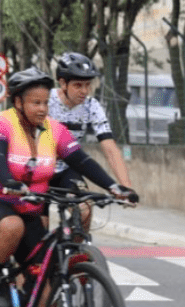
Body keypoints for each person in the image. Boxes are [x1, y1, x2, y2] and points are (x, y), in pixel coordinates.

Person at [0, 67, 137, 307]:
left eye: (45, 102)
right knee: (12, 227)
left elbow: (82, 161)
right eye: (35, 103)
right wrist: (8, 180)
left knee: (44, 275)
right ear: (18, 102)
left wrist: (115, 187)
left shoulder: (54, 131)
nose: (43, 109)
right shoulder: (1, 123)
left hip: (27, 206)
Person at [47, 52, 137, 228]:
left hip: (66, 170)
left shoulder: (91, 106)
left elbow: (110, 149)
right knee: (37, 227)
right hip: (38, 170)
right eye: (78, 85)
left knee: (85, 209)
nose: (84, 91)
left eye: (88, 85)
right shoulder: (45, 100)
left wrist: (126, 188)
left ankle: (75, 253)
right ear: (62, 83)